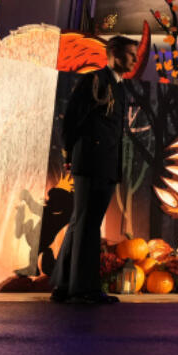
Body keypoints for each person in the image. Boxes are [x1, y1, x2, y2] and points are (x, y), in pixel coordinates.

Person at [51, 36, 138, 304]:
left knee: (83, 222)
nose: (135, 60)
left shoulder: (121, 88)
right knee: (86, 224)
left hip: (106, 163)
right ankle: (82, 289)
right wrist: (69, 153)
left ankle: (65, 285)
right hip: (90, 160)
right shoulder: (95, 80)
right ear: (114, 54)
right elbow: (73, 118)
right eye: (130, 54)